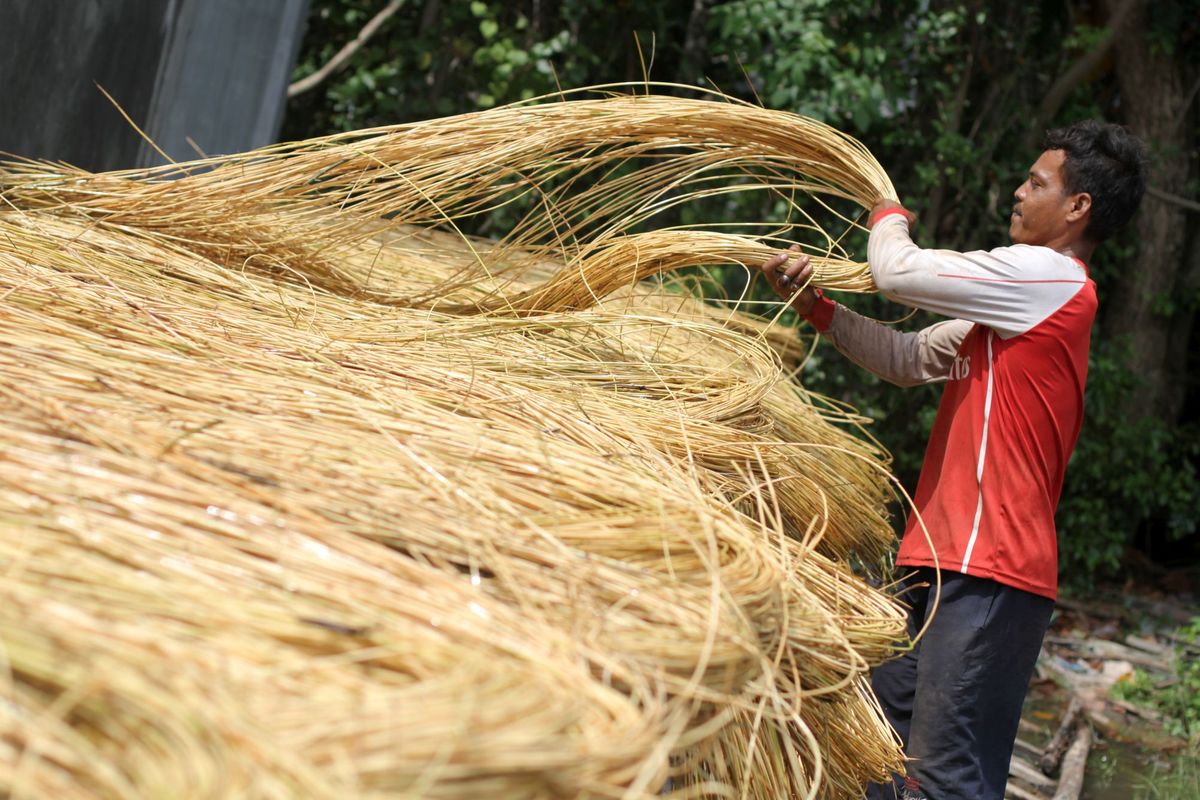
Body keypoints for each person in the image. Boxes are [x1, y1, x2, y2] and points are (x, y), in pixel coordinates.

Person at [759, 121, 1147, 800]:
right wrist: (816, 308)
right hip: (939, 562)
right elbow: (907, 358)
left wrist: (887, 211)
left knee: (946, 783)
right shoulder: (1009, 308)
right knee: (875, 760)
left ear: (1078, 207)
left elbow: (896, 272)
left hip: (989, 569)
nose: (1018, 192)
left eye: (1036, 183)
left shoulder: (1049, 277)